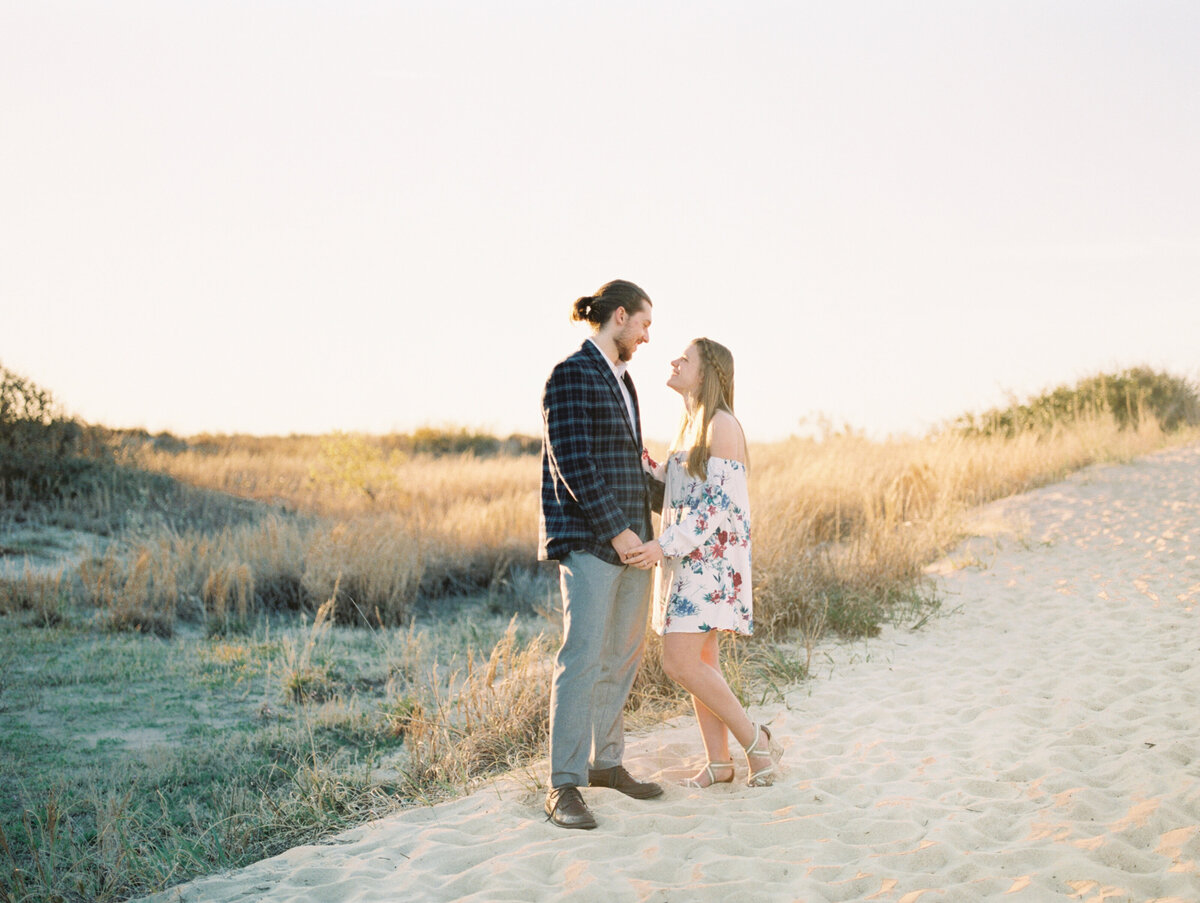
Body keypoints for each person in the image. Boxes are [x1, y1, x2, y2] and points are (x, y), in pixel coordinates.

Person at [538, 279, 666, 830]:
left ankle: (607, 765)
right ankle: (563, 785)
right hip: (593, 543)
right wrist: (617, 532)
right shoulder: (570, 374)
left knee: (622, 657)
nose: (645, 336)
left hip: (636, 545)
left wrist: (689, 497)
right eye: (644, 325)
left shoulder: (626, 382)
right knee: (582, 660)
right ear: (619, 317)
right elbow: (574, 463)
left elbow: (631, 463)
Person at [624, 337, 779, 788]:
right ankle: (719, 763)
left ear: (707, 371)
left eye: (685, 359)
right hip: (687, 559)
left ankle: (756, 746)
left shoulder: (722, 425)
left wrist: (661, 546)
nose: (674, 361)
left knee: (680, 663)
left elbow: (714, 507)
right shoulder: (690, 426)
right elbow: (681, 491)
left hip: (707, 565)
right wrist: (647, 465)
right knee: (702, 661)